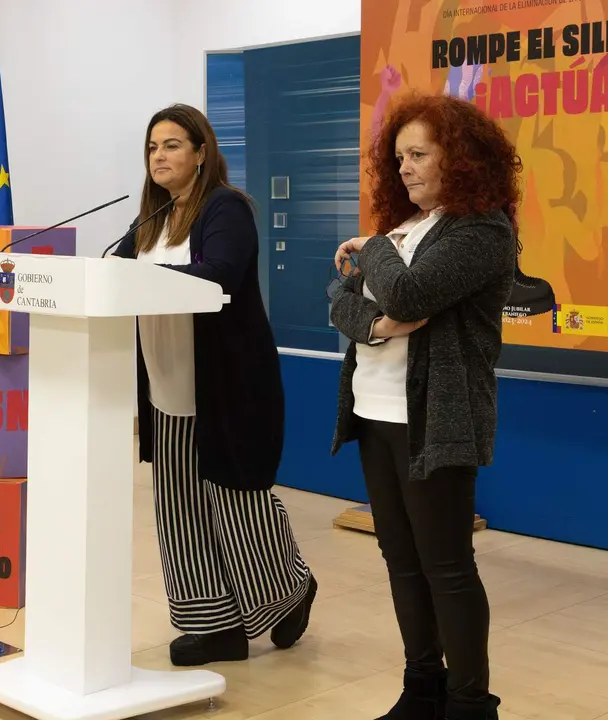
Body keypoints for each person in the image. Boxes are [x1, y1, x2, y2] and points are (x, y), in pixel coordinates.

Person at [329, 93, 522, 720]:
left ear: (459, 158)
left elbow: (410, 291)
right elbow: (340, 301)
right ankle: (422, 689)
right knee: (401, 562)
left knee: (446, 567)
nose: (405, 168)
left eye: (420, 154)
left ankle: (470, 704)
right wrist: (383, 325)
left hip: (435, 422)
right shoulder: (405, 229)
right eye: (399, 156)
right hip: (373, 411)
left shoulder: (482, 230)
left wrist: (370, 247)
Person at [111, 103, 316, 667]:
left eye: (173, 145)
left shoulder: (225, 208)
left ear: (202, 153)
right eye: (153, 147)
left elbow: (220, 274)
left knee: (237, 500)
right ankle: (213, 624)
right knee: (178, 507)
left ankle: (289, 590)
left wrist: (141, 277)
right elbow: (115, 274)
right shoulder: (150, 219)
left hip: (226, 387)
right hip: (167, 387)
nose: (160, 156)